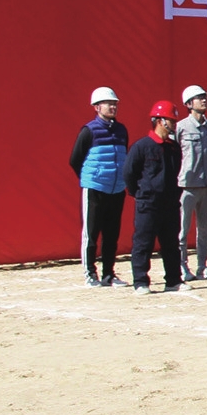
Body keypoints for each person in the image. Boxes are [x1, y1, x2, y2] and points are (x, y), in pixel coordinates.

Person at [71, 86, 129, 287]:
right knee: (92, 233)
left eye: (115, 103)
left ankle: (108, 274)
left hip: (117, 189)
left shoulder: (121, 130)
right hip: (94, 189)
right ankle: (90, 274)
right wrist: (90, 178)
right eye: (108, 103)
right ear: (97, 107)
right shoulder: (89, 131)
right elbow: (75, 159)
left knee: (111, 235)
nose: (113, 106)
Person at [123, 100, 182, 292]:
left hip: (170, 203)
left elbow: (176, 171)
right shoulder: (141, 146)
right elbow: (129, 174)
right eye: (171, 120)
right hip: (148, 204)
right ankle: (140, 281)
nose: (174, 124)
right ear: (159, 121)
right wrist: (140, 193)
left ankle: (173, 280)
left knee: (171, 243)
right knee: (143, 243)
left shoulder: (173, 147)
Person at [175, 84, 207, 282]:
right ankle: (182, 265)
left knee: (204, 229)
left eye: (205, 97)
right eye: (198, 98)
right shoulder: (180, 128)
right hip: (187, 186)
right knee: (182, 230)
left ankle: (202, 266)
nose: (203, 100)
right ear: (188, 103)